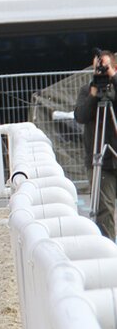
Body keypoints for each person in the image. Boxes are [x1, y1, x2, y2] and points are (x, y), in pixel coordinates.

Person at [74, 50, 117, 239]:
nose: (99, 72)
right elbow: (81, 116)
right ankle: (110, 250)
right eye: (96, 69)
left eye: (104, 68)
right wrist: (93, 96)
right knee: (103, 210)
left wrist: (113, 78)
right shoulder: (86, 90)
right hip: (100, 160)